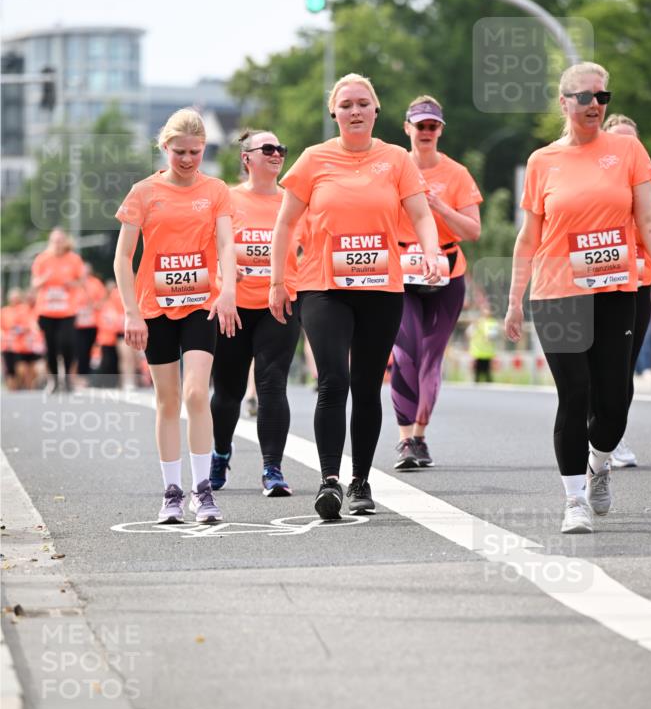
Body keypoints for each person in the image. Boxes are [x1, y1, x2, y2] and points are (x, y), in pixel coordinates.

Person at [504, 63, 651, 535]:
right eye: (584, 97)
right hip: (557, 292)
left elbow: (649, 216)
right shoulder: (542, 162)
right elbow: (527, 238)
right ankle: (573, 500)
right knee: (574, 393)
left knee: (614, 398)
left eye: (602, 97)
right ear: (564, 102)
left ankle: (600, 462)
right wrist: (516, 300)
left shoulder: (627, 149)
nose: (594, 104)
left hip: (616, 287)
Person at [269, 73, 440, 519]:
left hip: (381, 288)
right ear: (334, 113)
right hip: (322, 287)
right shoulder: (313, 159)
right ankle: (329, 481)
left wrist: (432, 252)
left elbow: (420, 215)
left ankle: (360, 480)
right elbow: (285, 224)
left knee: (367, 386)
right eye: (346, 105)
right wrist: (277, 281)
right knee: (333, 381)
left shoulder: (397, 159)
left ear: (376, 111)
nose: (355, 111)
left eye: (363, 103)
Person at [114, 107, 239, 524]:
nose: (187, 160)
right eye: (179, 151)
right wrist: (131, 313)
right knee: (167, 401)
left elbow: (225, 246)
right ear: (164, 147)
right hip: (155, 308)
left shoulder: (216, 190)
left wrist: (228, 292)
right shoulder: (143, 193)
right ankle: (171, 492)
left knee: (196, 394)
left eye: (195, 152)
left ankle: (203, 492)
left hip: (202, 303)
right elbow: (122, 258)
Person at [390, 96, 482, 469]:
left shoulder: (457, 174)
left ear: (440, 130)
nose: (426, 132)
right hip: (402, 267)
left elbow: (474, 231)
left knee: (431, 358)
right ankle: (404, 440)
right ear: (407, 128)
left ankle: (420, 435)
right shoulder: (393, 167)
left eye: (432, 126)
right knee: (404, 352)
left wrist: (441, 207)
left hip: (447, 271)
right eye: (420, 125)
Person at [209, 130, 300, 496]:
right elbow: (206, 245)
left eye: (281, 147)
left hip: (279, 305)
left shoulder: (293, 201)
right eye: (268, 148)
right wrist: (223, 273)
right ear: (247, 158)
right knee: (228, 392)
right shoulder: (226, 199)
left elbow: (310, 246)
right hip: (232, 307)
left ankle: (272, 469)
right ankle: (220, 452)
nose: (277, 153)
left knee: (272, 384)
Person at [601, 113, 651, 467]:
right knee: (592, 364)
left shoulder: (649, 180)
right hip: (591, 280)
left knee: (623, 364)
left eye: (632, 141)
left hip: (638, 281)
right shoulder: (593, 175)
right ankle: (591, 430)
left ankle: (612, 437)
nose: (627, 147)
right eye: (619, 140)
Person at [31, 227, 85, 392]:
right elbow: (34, 284)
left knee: (67, 343)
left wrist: (71, 284)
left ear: (65, 242)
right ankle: (53, 380)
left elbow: (81, 281)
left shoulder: (74, 259)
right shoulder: (42, 259)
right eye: (55, 241)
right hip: (47, 311)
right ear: (50, 242)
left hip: (67, 311)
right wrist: (44, 280)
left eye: (60, 240)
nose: (58, 244)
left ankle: (67, 377)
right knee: (51, 347)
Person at [75, 263, 106, 382]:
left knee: (89, 350)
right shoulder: (75, 283)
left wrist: (94, 305)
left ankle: (86, 376)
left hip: (92, 323)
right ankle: (80, 376)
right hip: (77, 323)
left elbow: (102, 299)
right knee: (79, 350)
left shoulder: (96, 283)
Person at [468, 298, 499, 383]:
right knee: (476, 377)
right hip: (477, 353)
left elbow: (492, 337)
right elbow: (469, 334)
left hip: (487, 354)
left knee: (488, 376)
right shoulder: (477, 322)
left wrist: (486, 336)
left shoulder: (492, 322)